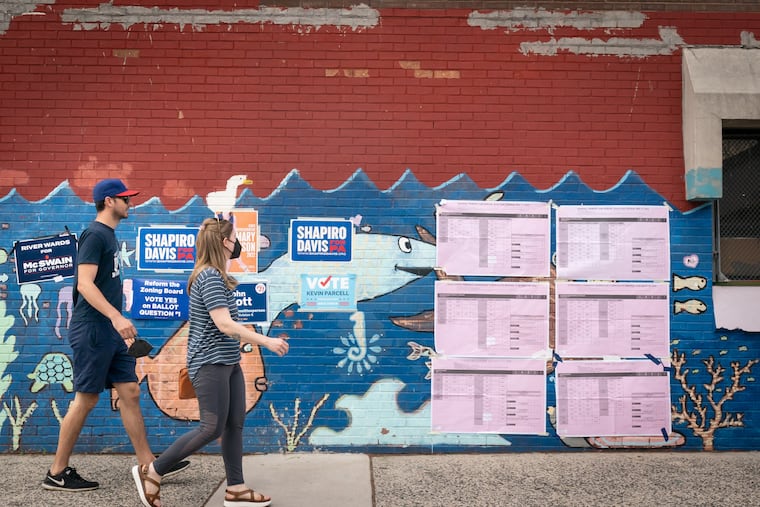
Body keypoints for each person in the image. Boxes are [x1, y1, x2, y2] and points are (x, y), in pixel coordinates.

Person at [43, 178, 189, 491]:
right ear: (109, 201)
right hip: (93, 330)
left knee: (131, 393)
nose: (130, 203)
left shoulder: (108, 235)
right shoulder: (95, 235)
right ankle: (57, 472)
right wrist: (116, 316)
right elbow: (84, 284)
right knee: (86, 398)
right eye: (125, 198)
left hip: (109, 332)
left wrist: (116, 325)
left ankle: (149, 464)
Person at [132, 217, 289, 507]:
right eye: (233, 239)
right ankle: (154, 470)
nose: (236, 244)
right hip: (209, 362)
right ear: (222, 244)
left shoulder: (217, 277)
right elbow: (224, 324)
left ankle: (236, 489)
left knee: (234, 425)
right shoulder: (209, 278)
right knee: (211, 427)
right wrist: (266, 341)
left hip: (228, 361)